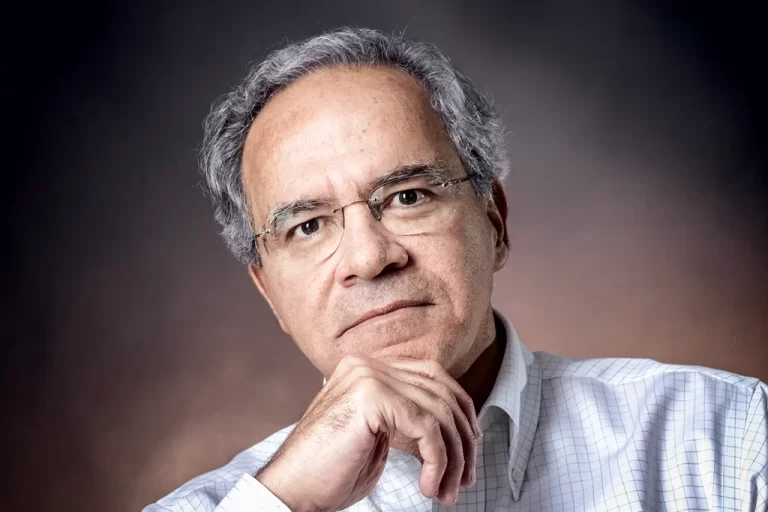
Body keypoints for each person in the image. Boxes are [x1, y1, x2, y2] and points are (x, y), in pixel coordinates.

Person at [143, 27, 768, 512]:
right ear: (269, 293)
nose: (368, 258)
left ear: (494, 221)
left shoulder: (726, 440)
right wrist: (290, 503)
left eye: (407, 196)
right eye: (307, 226)